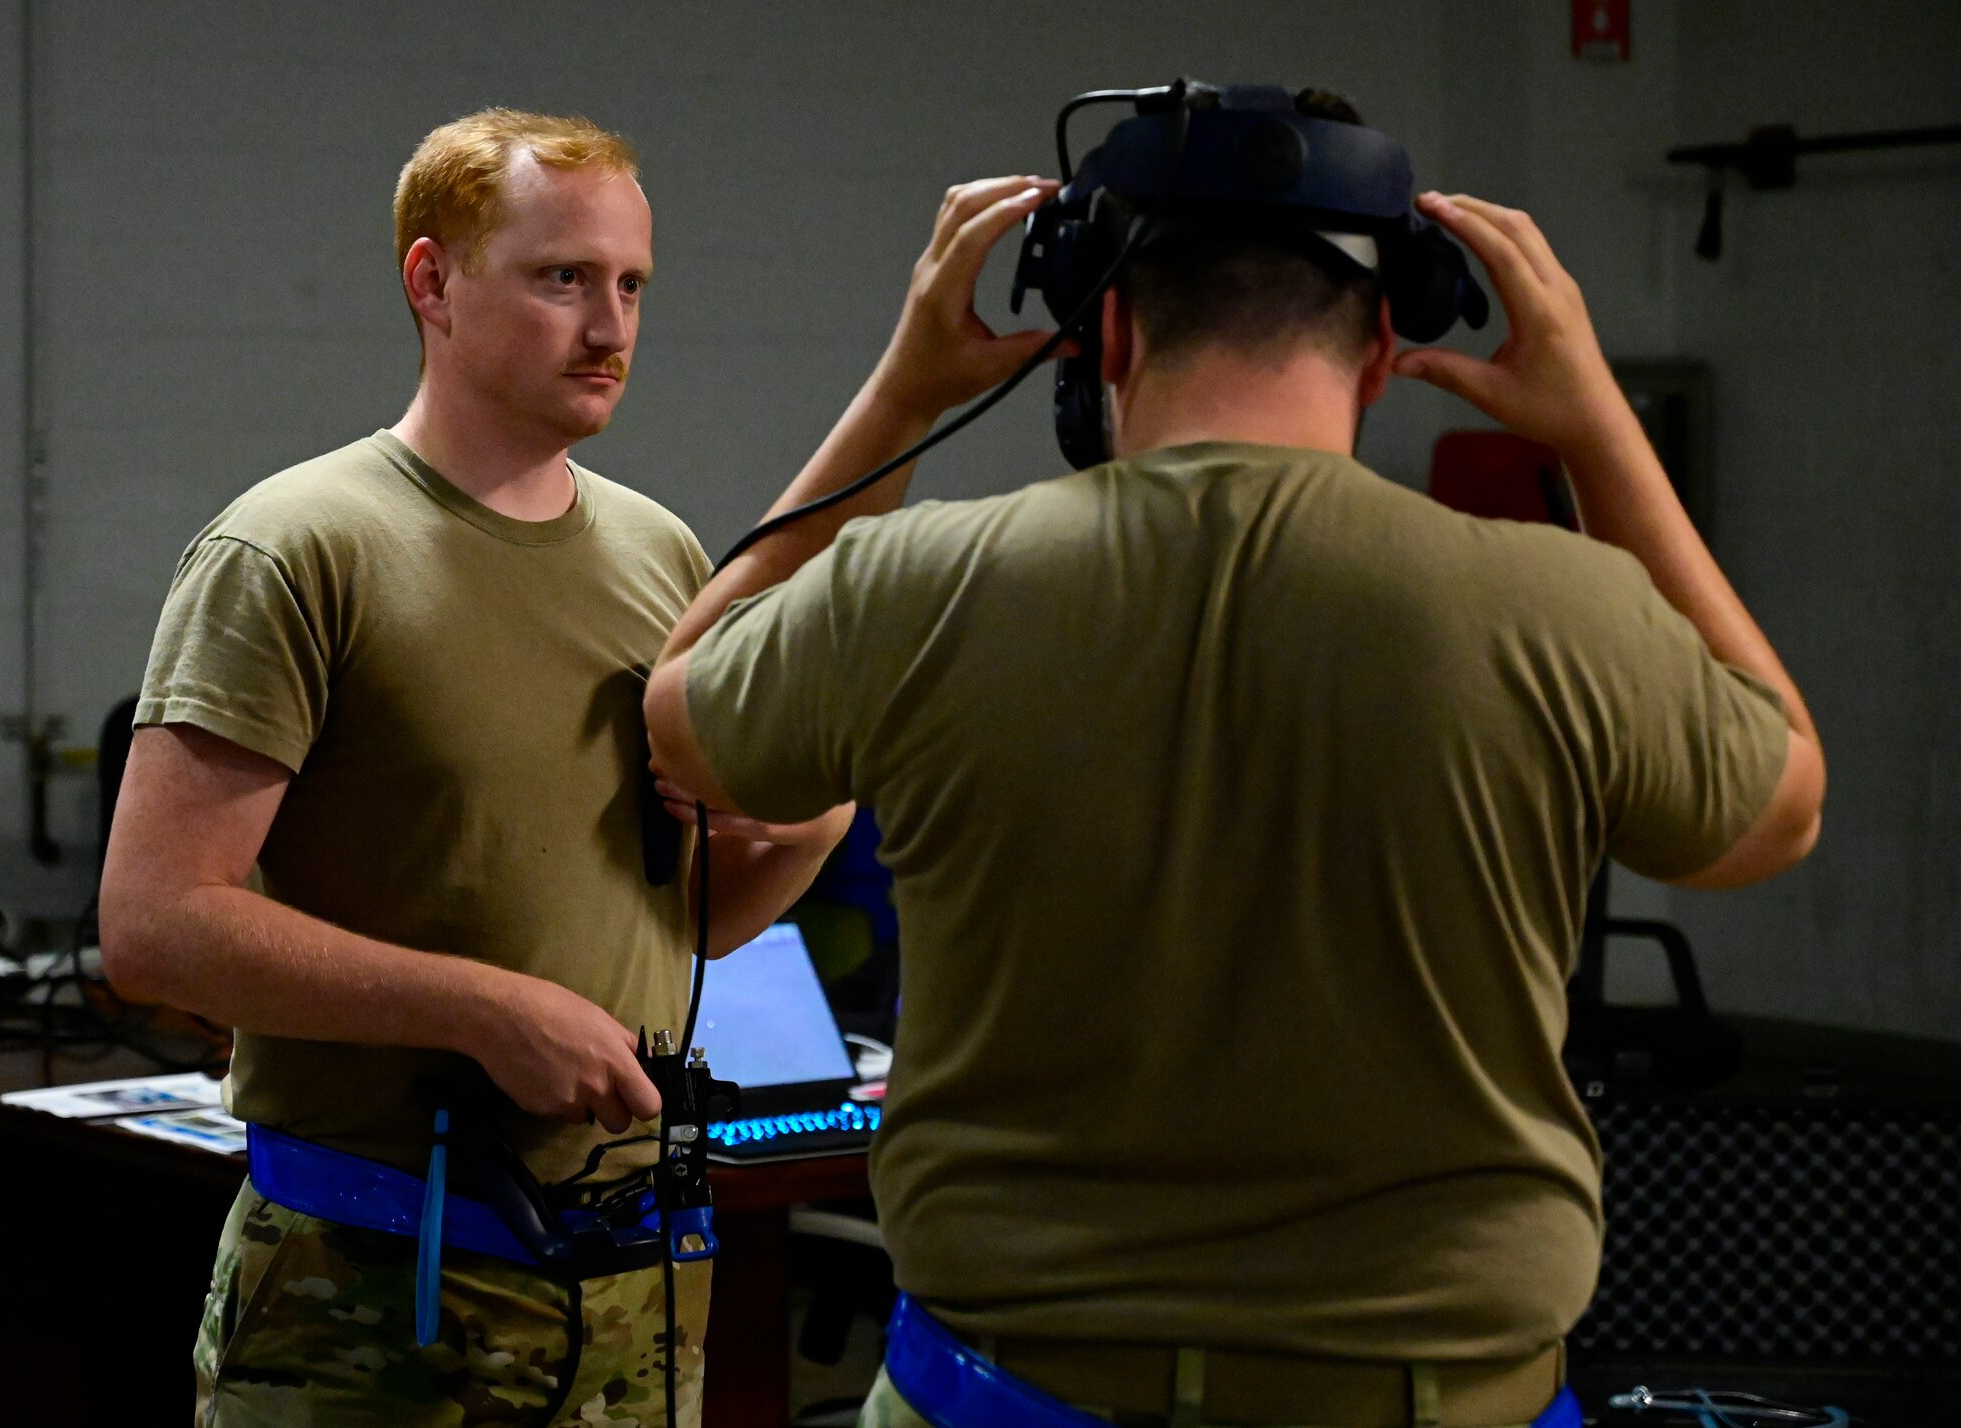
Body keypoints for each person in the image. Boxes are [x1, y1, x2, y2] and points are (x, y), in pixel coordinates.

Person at [642, 90, 1824, 1428]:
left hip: (1008, 1395)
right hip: (1443, 1400)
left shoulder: (919, 585)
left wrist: (902, 394)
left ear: (1110, 331)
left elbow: (679, 718)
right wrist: (1596, 425)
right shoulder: (1565, 608)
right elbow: (1776, 807)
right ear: (1386, 342)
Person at [99, 108, 849, 1427]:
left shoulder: (661, 555)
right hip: (375, 1294)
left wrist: (814, 818)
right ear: (432, 282)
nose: (611, 330)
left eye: (630, 286)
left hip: (634, 1290)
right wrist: (487, 1009)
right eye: (563, 278)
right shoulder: (295, 550)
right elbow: (157, 928)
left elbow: (683, 918)